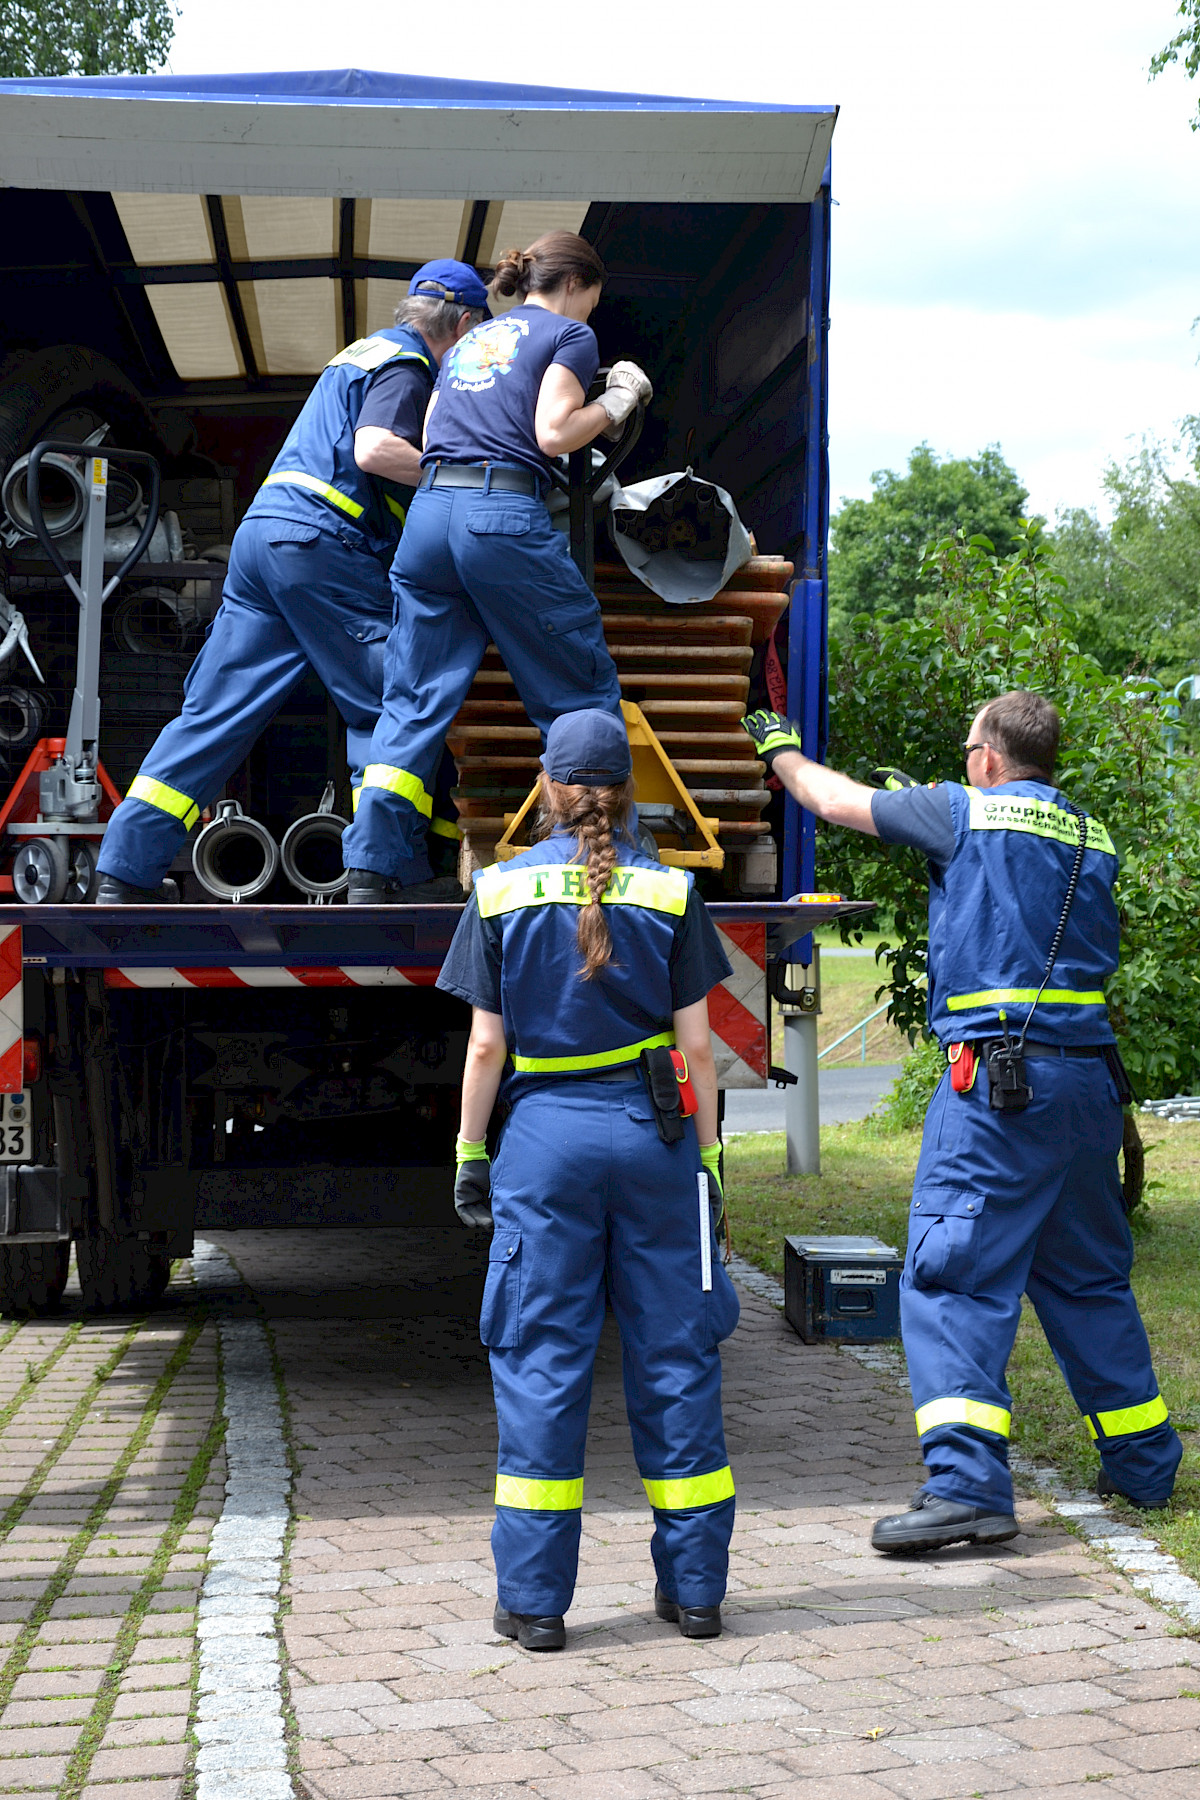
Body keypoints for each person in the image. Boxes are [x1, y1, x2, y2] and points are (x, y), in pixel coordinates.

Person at [744, 690, 1182, 1554]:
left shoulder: (959, 810)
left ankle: (968, 1488)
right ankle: (1143, 1465)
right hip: (1087, 1089)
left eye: (968, 746)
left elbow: (829, 801)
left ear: (986, 756)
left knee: (952, 1283)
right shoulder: (1092, 835)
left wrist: (781, 750)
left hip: (994, 1095)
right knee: (1088, 1282)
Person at [436, 709, 740, 1649]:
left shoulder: (495, 892)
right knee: (677, 1359)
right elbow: (701, 1050)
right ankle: (695, 1595)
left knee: (541, 1363)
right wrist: (710, 1165)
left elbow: (488, 1044)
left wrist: (469, 1153)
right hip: (654, 1142)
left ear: (550, 787)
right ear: (630, 788)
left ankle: (534, 1606)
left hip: (544, 1146)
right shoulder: (673, 892)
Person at [95, 260, 490, 902]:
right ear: (465, 325)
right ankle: (383, 870)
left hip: (263, 542)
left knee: (214, 713)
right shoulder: (407, 364)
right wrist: (465, 477)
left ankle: (124, 870)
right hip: (320, 543)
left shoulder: (355, 356)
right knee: (388, 700)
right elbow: (375, 451)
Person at [342, 230, 653, 904]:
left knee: (415, 696)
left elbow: (430, 436)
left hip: (428, 517)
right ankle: (606, 853)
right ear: (577, 285)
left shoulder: (472, 340)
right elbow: (553, 433)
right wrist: (616, 402)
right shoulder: (569, 336)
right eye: (592, 302)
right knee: (577, 684)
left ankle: (369, 866)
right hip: (500, 513)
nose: (590, 316)